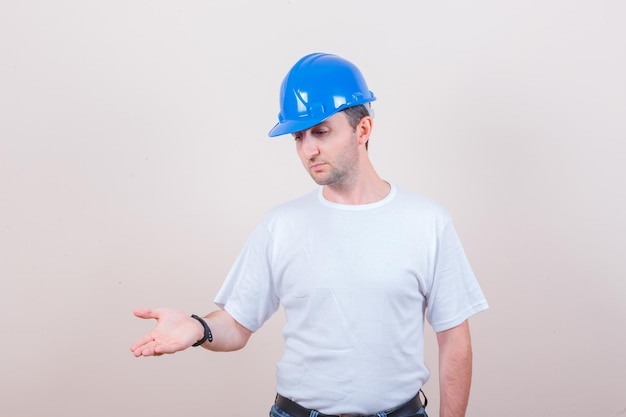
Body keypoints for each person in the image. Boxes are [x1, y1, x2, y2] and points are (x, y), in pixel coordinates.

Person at [131, 52, 489, 417]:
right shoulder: (281, 226)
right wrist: (197, 327)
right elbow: (236, 325)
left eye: (320, 131)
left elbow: (454, 339)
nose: (308, 150)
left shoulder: (426, 221)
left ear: (362, 130)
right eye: (299, 136)